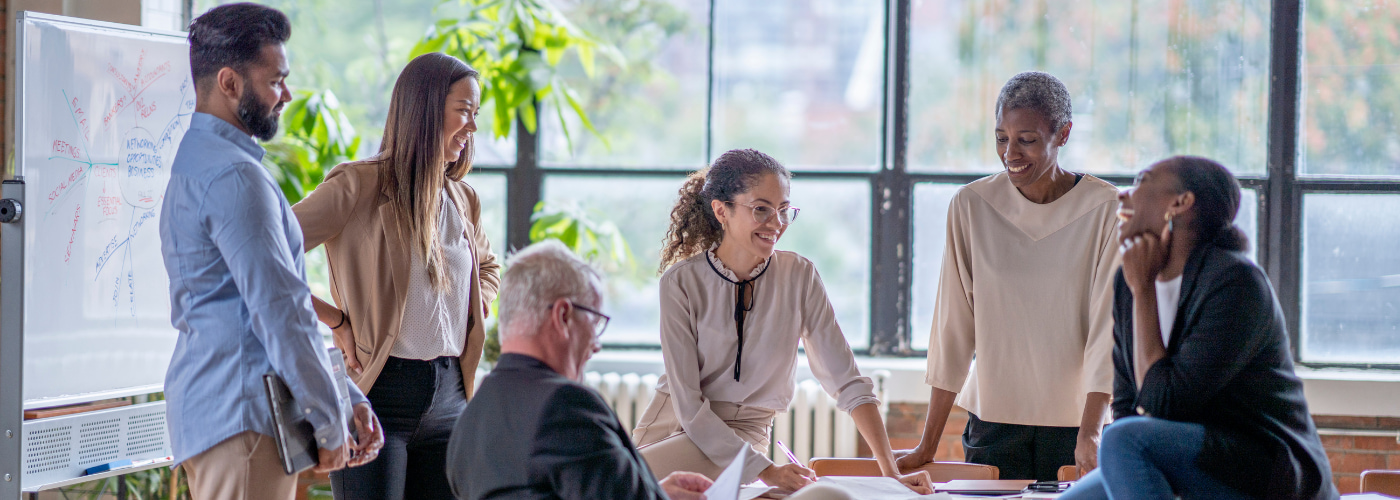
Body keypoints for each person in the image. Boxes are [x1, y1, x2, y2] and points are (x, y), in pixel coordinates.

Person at [160, 4, 384, 499]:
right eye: (276, 80)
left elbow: (282, 305)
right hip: (242, 418)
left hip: (228, 412)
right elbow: (280, 312)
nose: (286, 95)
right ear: (229, 83)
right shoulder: (235, 177)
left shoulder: (201, 160)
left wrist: (343, 398)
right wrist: (331, 423)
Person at [632, 149, 933, 494]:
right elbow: (689, 407)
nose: (776, 223)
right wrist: (768, 471)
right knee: (605, 484)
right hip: (674, 425)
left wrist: (890, 472)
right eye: (761, 209)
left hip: (744, 438)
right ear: (721, 211)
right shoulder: (680, 282)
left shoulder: (799, 276)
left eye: (784, 210)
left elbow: (847, 382)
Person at [1059, 156, 1338, 500]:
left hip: (1262, 470)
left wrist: (1144, 290)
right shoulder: (1126, 283)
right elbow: (1129, 404)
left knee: (1122, 438)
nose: (1123, 195)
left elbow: (1165, 405)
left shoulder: (1236, 282)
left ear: (1180, 203)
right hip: (1179, 458)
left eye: (1143, 181)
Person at [291, 52, 500, 499]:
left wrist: (477, 299)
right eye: (464, 111)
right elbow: (263, 249)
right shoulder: (357, 186)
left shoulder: (464, 199)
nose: (473, 128)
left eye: (475, 114)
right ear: (424, 109)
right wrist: (337, 320)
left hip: (451, 398)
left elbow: (488, 265)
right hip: (378, 395)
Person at [895, 71, 1120, 481]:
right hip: (992, 423)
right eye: (1002, 138)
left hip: (1076, 426)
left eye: (1027, 139)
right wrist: (928, 444)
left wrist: (1091, 431)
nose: (1010, 152)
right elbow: (954, 328)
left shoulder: (1106, 209)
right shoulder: (971, 205)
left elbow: (1108, 333)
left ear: (1063, 133)